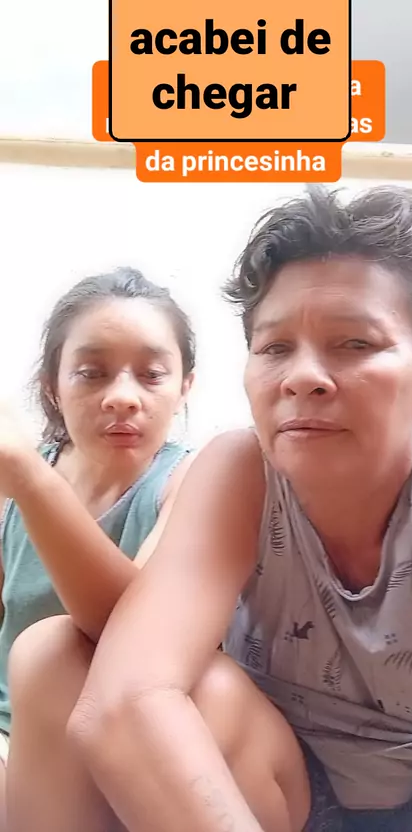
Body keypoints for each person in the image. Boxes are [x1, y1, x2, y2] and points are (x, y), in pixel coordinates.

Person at [7, 185, 412, 832]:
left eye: (354, 344)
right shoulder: (240, 473)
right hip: (284, 785)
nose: (302, 376)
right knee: (58, 654)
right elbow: (125, 701)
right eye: (275, 347)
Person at [0, 266, 195, 829]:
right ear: (52, 387)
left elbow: (136, 635)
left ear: (185, 386)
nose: (123, 398)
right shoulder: (17, 485)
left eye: (152, 375)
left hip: (120, 751)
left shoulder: (187, 482)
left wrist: (28, 480)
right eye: (91, 374)